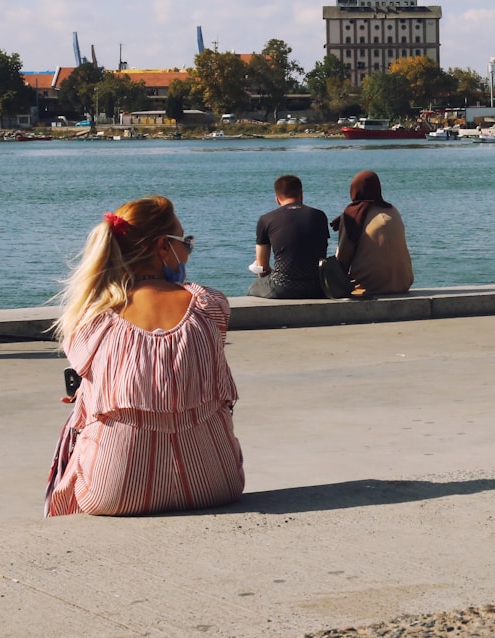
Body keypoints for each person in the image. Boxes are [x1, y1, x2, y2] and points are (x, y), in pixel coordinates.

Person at [45, 196, 244, 517]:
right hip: (217, 483)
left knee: (82, 418)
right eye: (186, 242)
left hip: (111, 493)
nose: (188, 251)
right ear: (163, 247)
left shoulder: (90, 318)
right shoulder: (210, 305)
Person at [332, 170, 414, 296]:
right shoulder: (393, 211)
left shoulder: (352, 215)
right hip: (403, 284)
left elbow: (343, 258)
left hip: (368, 286)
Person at [247, 174, 330, 299]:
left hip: (283, 287)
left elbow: (262, 267)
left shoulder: (266, 219)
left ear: (277, 199)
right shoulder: (320, 216)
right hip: (318, 287)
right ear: (301, 194)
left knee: (254, 287)